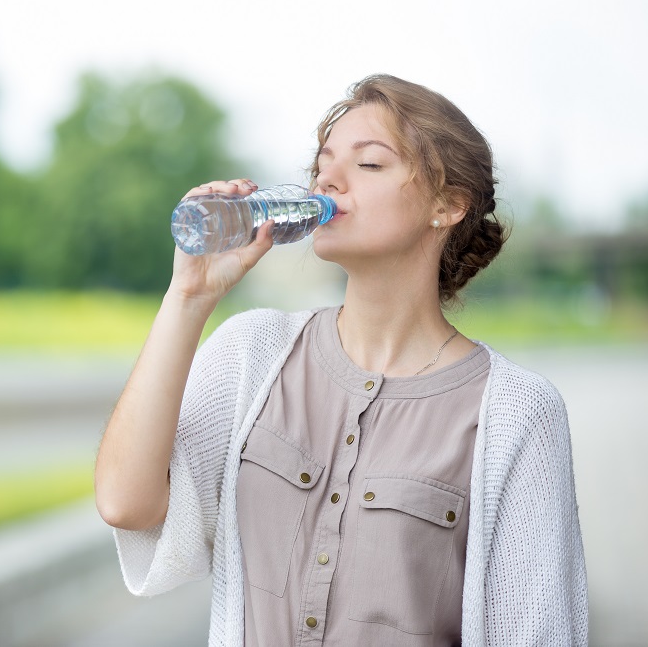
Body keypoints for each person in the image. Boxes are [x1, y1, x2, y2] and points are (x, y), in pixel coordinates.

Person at [94, 74, 588, 646]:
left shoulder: (518, 415)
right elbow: (125, 503)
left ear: (448, 204)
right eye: (323, 163)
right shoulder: (253, 353)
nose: (328, 178)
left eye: (369, 164)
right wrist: (189, 297)